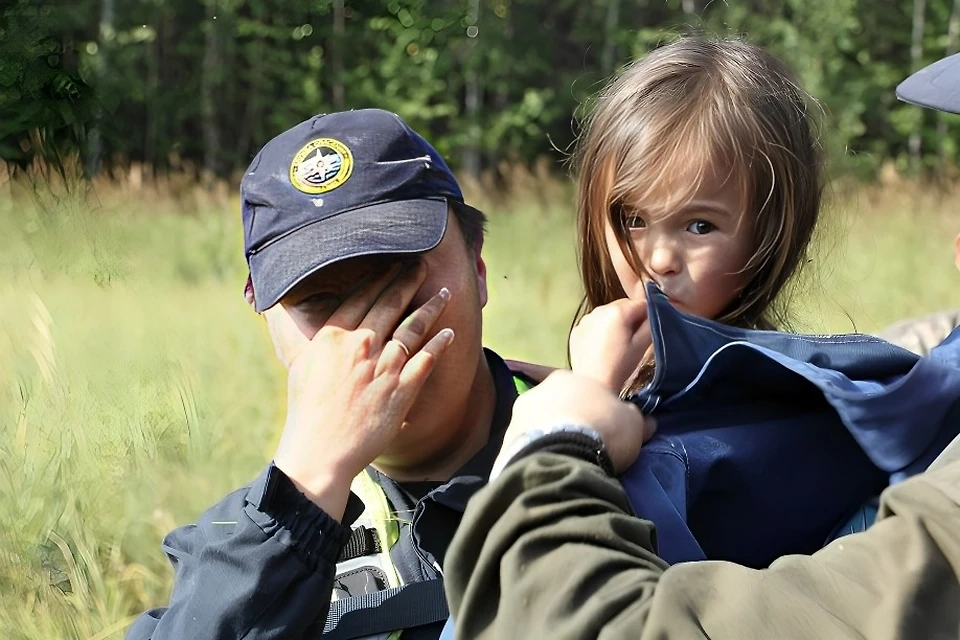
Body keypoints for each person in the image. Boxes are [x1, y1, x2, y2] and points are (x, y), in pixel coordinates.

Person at [439, 48, 960, 640]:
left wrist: (570, 426)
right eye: (633, 218)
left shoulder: (813, 418)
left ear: (771, 231)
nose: (659, 259)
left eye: (700, 225)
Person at [126, 109, 537, 640]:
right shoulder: (235, 550)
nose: (372, 336)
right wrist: (301, 501)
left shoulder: (601, 451)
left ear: (478, 268)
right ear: (263, 314)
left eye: (399, 276)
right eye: (322, 301)